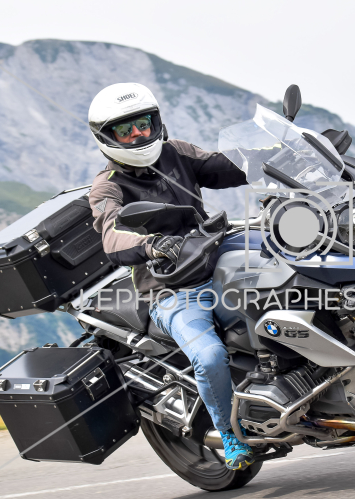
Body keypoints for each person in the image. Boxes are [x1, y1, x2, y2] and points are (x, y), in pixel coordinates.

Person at [87, 82, 254, 470]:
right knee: (209, 355)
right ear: (107, 138)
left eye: (143, 124)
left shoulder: (175, 152)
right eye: (125, 130)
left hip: (218, 260)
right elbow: (112, 236)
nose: (138, 134)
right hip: (171, 290)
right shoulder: (107, 187)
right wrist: (152, 245)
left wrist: (278, 155)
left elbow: (224, 166)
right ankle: (229, 435)